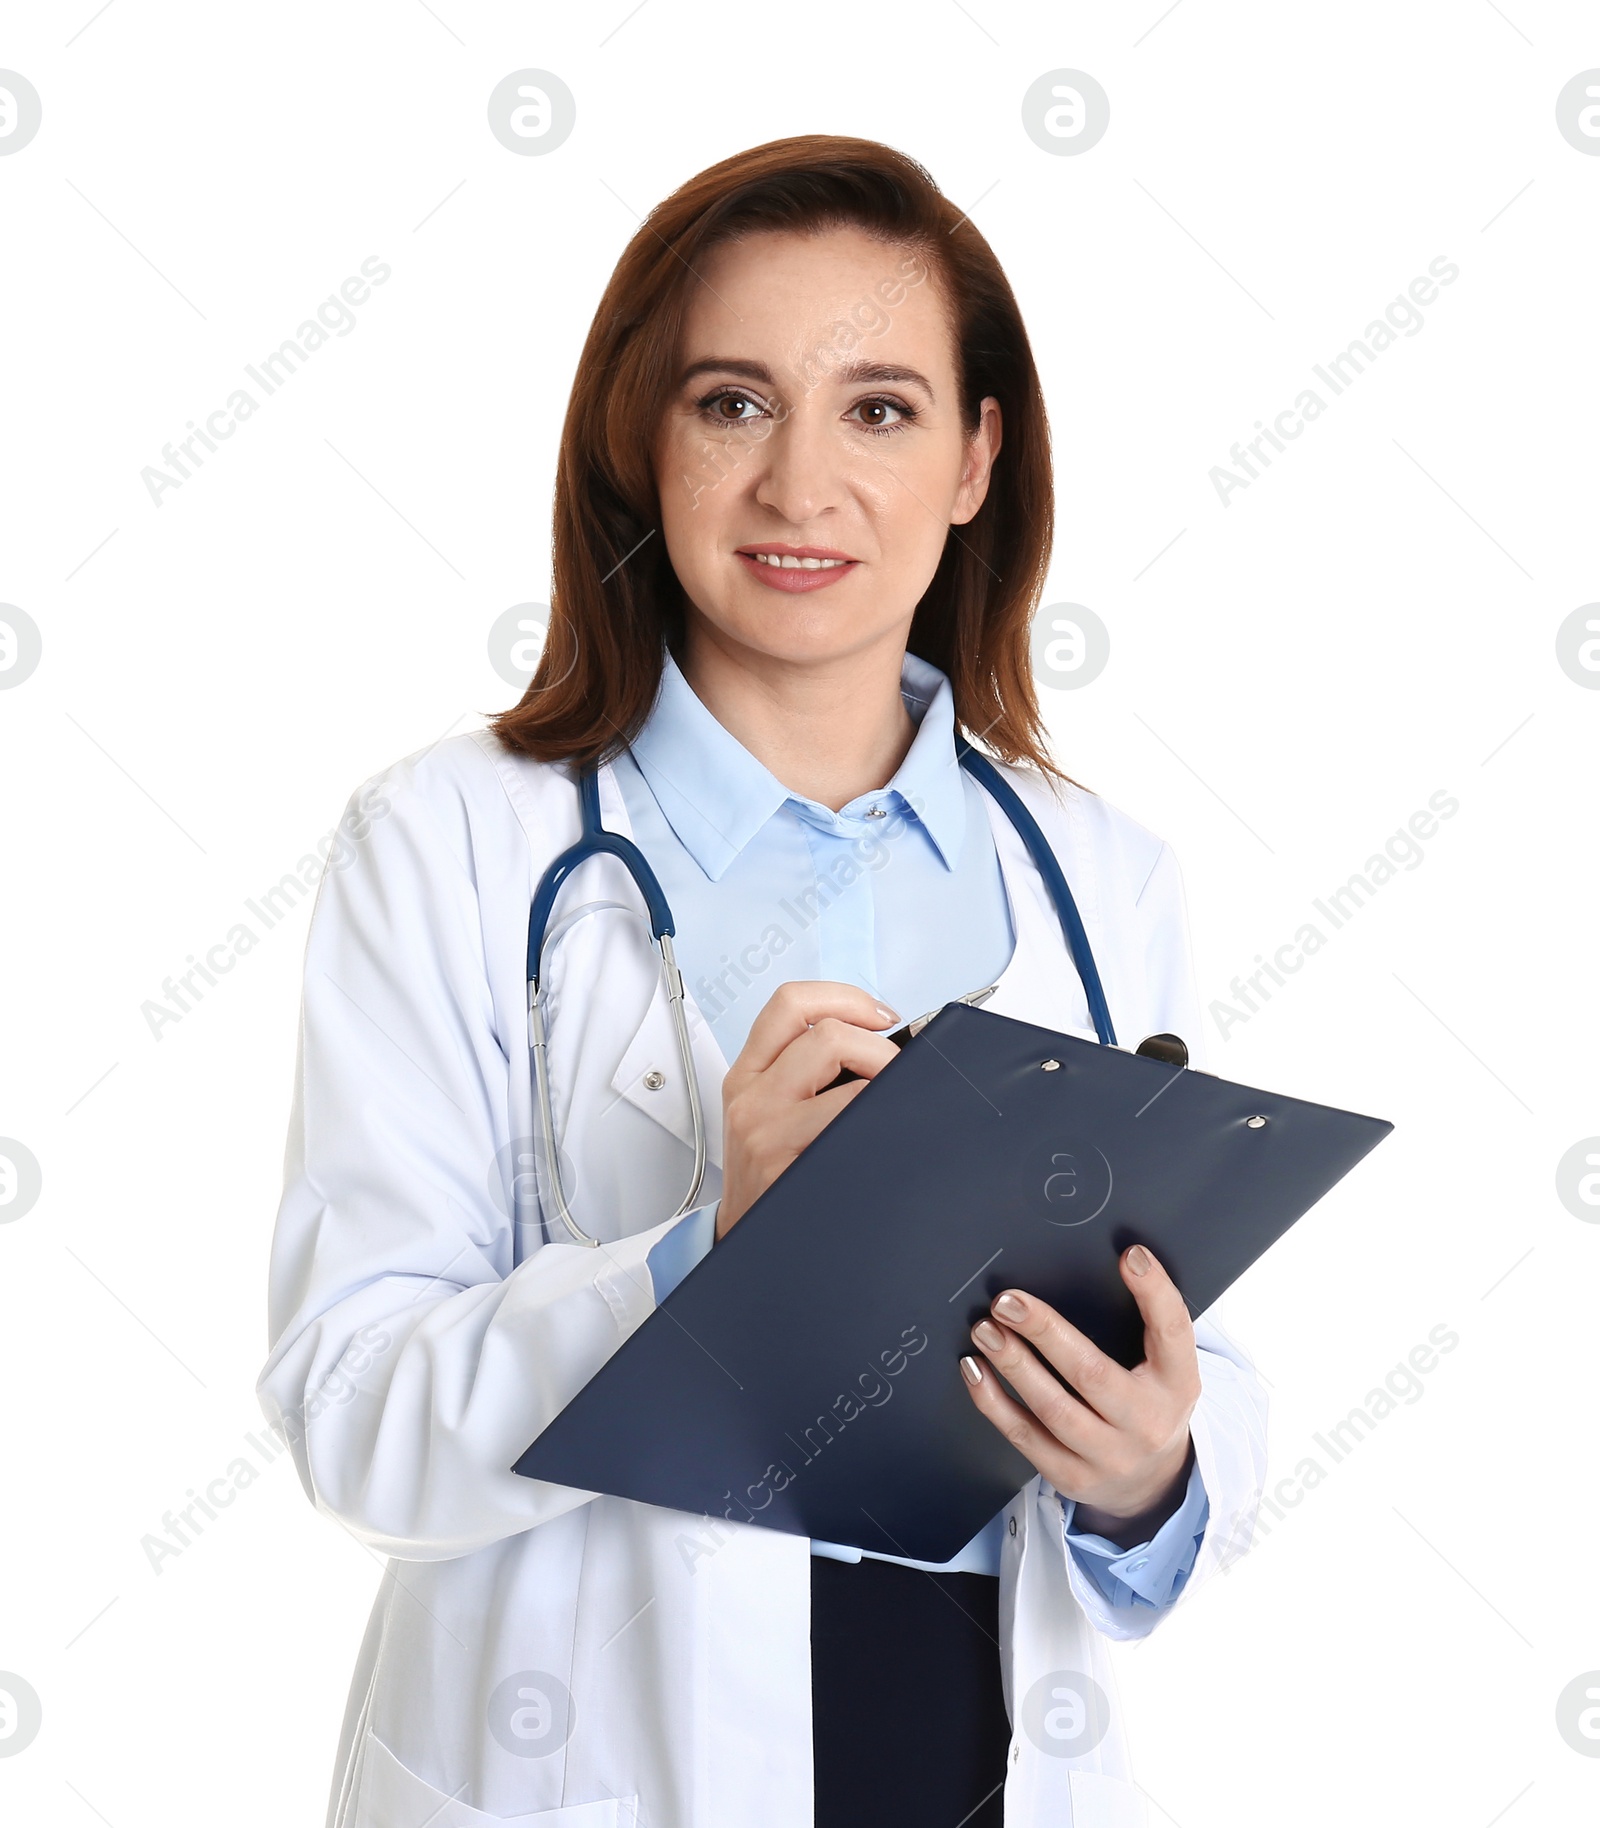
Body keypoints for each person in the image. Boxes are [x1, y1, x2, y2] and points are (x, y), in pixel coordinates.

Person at [257, 133, 1268, 1828]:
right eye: (733, 403)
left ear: (974, 458)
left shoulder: (1105, 878)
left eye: (879, 408)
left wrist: (1150, 1471)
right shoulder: (451, 847)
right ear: (640, 445)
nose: (803, 485)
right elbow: (355, 1415)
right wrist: (697, 1249)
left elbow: (1192, 1370)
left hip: (980, 1758)